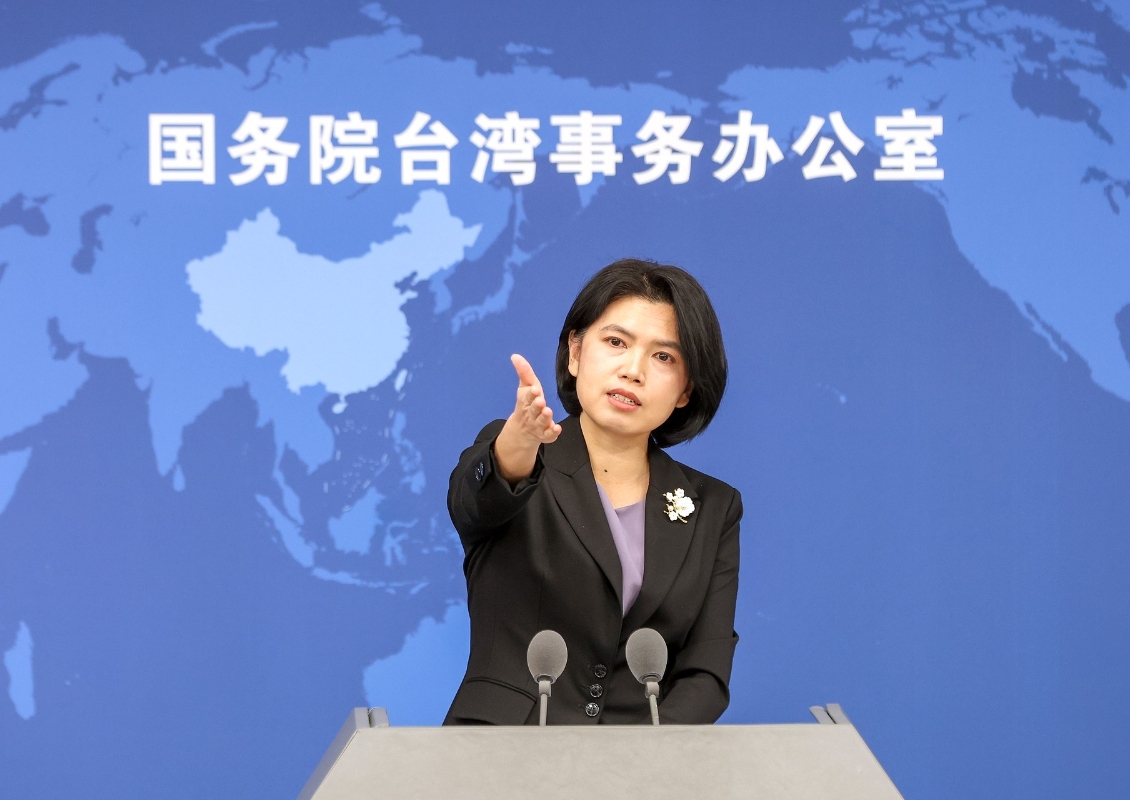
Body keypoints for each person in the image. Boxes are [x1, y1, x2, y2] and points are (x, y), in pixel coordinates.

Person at [444, 258, 741, 725]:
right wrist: (517, 443)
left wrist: (644, 757)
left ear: (686, 390)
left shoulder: (714, 508)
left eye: (664, 357)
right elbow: (475, 501)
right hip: (500, 750)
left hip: (643, 762)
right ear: (575, 352)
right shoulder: (520, 460)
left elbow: (706, 670)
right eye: (616, 342)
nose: (633, 370)